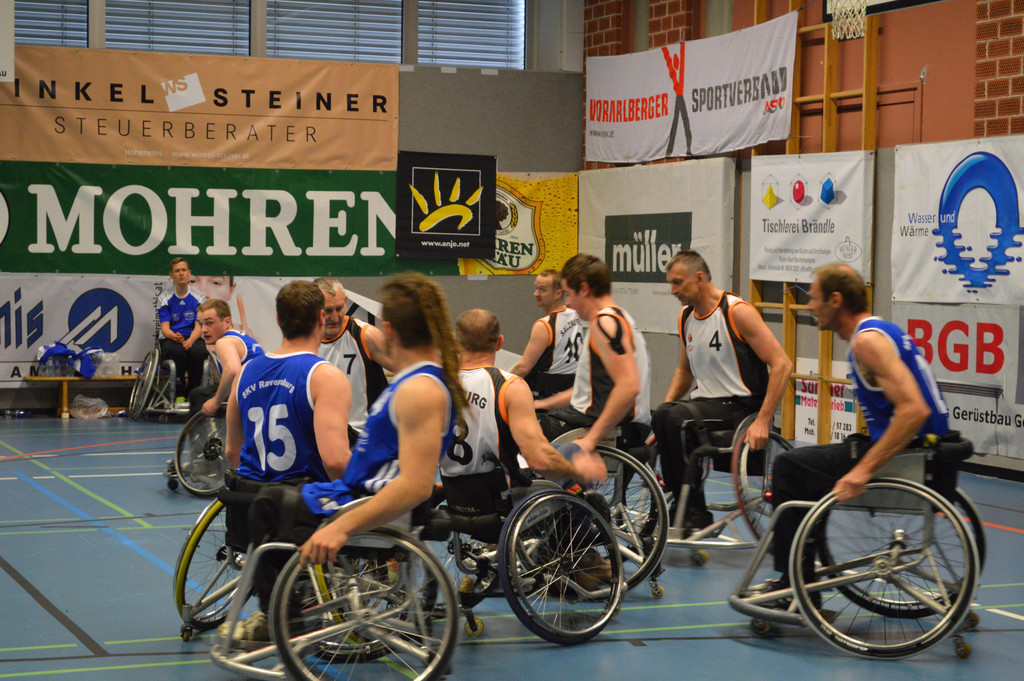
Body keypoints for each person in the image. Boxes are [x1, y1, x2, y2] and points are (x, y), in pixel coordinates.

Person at [226, 273, 465, 647]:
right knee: (270, 502)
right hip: (358, 489)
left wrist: (341, 527)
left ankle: (282, 619)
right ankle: (285, 614)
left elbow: (414, 485)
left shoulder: (419, 388)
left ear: (388, 329)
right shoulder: (416, 381)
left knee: (269, 505)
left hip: (366, 500)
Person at [763, 263, 950, 591]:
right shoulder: (882, 330)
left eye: (815, 298)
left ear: (835, 300)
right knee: (812, 466)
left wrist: (863, 471)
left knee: (788, 466)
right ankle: (801, 560)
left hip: (911, 454)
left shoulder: (867, 343)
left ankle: (793, 584)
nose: (810, 306)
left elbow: (914, 410)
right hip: (927, 447)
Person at [651, 250, 792, 533]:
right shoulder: (686, 317)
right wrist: (661, 414)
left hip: (740, 408)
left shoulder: (737, 312)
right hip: (706, 406)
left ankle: (693, 511)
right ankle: (681, 503)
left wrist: (763, 420)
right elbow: (684, 371)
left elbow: (782, 364)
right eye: (671, 284)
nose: (673, 290)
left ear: (699, 278)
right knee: (662, 415)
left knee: (676, 418)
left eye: (678, 282)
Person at [447, 308, 606, 490]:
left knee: (563, 448)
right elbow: (540, 462)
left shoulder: (440, 385)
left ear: (456, 343)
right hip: (506, 495)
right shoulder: (510, 387)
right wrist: (577, 470)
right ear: (500, 343)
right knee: (574, 453)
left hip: (457, 493)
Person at [224, 281, 351, 486]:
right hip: (302, 499)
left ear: (278, 319)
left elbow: (232, 451)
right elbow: (335, 462)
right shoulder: (326, 377)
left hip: (249, 498)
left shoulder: (244, 372)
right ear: (321, 318)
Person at [535, 253, 652, 455]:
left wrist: (591, 440)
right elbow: (589, 390)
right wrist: (544, 403)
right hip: (629, 424)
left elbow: (629, 386)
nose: (568, 303)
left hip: (616, 427)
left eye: (569, 294)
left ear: (584, 289)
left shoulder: (604, 324)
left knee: (521, 427)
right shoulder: (621, 317)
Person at [314, 276, 393, 443]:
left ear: (346, 301)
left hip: (366, 442)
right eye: (327, 311)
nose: (335, 318)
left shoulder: (365, 335)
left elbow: (411, 367)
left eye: (339, 308)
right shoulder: (306, 343)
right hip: (325, 442)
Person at [510, 269, 583, 399]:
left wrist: (500, 385)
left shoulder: (544, 325)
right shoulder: (577, 315)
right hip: (574, 394)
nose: (536, 293)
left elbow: (523, 368)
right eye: (536, 288)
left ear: (558, 294)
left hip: (547, 396)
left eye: (542, 290)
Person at [189, 299, 263, 417]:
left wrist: (216, 401)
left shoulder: (225, 341)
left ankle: (208, 429)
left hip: (252, 396)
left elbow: (232, 370)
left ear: (227, 322)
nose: (203, 330)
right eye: (201, 324)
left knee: (198, 396)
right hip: (261, 391)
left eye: (209, 323)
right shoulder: (243, 337)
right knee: (203, 392)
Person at [156, 257, 207, 400]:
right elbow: (165, 329)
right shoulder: (164, 298)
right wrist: (174, 337)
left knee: (199, 352)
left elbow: (199, 326)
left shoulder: (199, 297)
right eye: (177, 271)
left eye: (184, 270)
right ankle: (178, 394)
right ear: (171, 275)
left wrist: (190, 340)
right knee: (176, 353)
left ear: (189, 273)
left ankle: (193, 394)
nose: (181, 273)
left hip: (192, 336)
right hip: (171, 337)